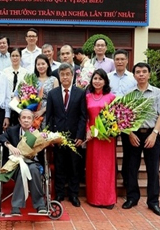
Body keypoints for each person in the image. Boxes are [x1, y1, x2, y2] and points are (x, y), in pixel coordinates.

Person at [121, 62, 160, 217]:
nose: (141, 74)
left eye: (144, 72)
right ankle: (132, 198)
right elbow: (123, 116)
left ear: (149, 74)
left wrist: (154, 133)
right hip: (133, 135)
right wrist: (129, 133)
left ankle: (153, 202)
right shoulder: (129, 93)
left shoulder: (157, 93)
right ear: (134, 75)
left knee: (153, 170)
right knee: (131, 168)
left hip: (151, 134)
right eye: (138, 72)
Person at [45, 62, 87, 207]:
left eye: (67, 74)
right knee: (59, 166)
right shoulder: (52, 94)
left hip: (75, 137)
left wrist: (81, 136)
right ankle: (60, 193)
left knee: (75, 167)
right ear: (59, 76)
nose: (65, 77)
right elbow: (49, 117)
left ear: (72, 75)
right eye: (62, 74)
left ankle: (74, 195)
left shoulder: (80, 93)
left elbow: (83, 116)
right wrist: (50, 136)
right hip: (58, 138)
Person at [0, 109, 47, 216]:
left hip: (33, 163)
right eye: (23, 118)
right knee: (22, 170)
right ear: (19, 120)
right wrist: (9, 145)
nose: (26, 120)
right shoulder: (12, 130)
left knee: (33, 169)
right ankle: (16, 206)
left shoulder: (37, 134)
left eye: (29, 118)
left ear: (33, 120)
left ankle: (40, 205)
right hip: (16, 164)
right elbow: (0, 137)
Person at [85, 69, 116, 209]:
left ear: (105, 81)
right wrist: (87, 131)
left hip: (106, 138)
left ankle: (108, 199)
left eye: (100, 79)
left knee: (106, 168)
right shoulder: (87, 97)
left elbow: (116, 117)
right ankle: (94, 198)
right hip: (93, 137)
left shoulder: (111, 97)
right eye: (95, 78)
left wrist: (110, 129)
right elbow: (84, 116)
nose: (97, 81)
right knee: (94, 167)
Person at [107, 49, 137, 188]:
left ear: (126, 61)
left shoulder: (133, 77)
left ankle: (126, 177)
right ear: (114, 61)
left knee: (128, 149)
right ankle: (112, 175)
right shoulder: (108, 77)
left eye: (122, 59)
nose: (119, 62)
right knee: (109, 149)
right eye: (117, 59)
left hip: (127, 118)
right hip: (110, 118)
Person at [2, 48, 28, 126]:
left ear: (20, 57)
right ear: (10, 57)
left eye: (17, 55)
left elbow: (27, 89)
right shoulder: (4, 72)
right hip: (7, 103)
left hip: (20, 104)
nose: (15, 58)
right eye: (13, 56)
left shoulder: (26, 72)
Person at [33, 54, 59, 130]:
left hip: (49, 112)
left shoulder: (54, 80)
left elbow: (56, 100)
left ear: (48, 65)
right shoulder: (32, 79)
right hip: (34, 113)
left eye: (43, 64)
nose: (41, 66)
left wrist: (42, 111)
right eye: (38, 64)